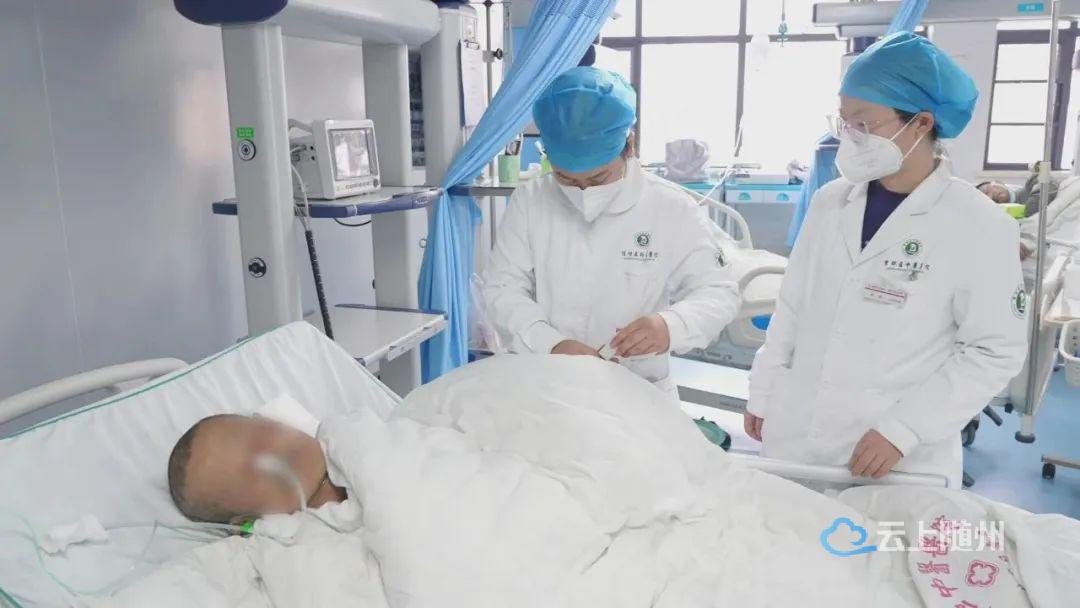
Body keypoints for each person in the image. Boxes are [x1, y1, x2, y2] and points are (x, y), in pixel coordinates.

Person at [744, 32, 1028, 488]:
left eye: (865, 123)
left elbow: (993, 350)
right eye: (845, 122)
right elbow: (793, 306)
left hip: (896, 455)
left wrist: (904, 430)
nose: (850, 137)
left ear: (920, 123)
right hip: (797, 433)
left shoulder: (978, 224)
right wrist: (763, 391)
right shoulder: (830, 202)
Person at [482, 67, 741, 398]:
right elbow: (502, 288)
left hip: (640, 389)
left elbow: (718, 292)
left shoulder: (670, 207)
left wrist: (670, 326)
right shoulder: (531, 200)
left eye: (598, 179)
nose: (583, 193)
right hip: (550, 384)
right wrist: (550, 343)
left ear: (629, 146)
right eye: (566, 179)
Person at [167, 414, 346, 524]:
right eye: (248, 473)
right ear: (247, 521)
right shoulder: (314, 551)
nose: (270, 454)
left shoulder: (348, 430)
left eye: (260, 435)